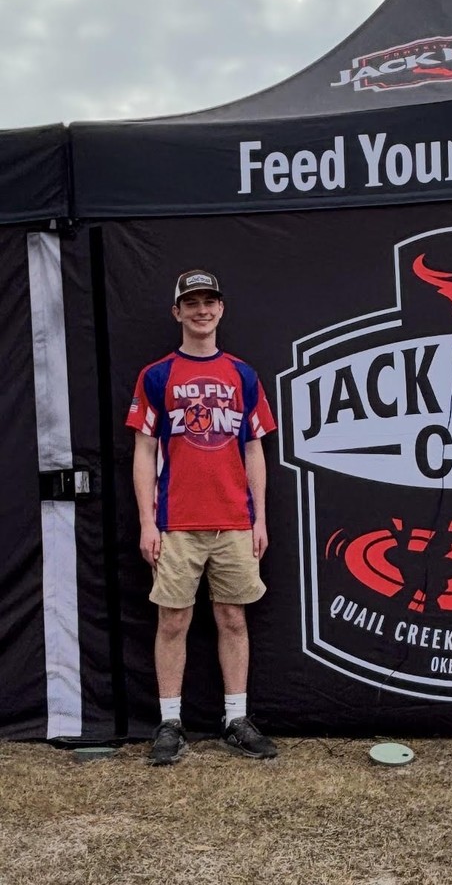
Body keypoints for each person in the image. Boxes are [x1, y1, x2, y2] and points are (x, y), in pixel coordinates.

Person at [127, 269, 278, 765]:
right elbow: (145, 452)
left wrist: (259, 519)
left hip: (234, 521)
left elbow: (254, 449)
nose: (201, 310)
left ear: (221, 309)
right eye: (190, 302)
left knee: (233, 617)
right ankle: (170, 722)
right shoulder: (157, 375)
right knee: (172, 621)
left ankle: (236, 718)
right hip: (176, 522)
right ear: (177, 312)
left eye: (209, 301)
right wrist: (148, 522)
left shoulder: (244, 374)